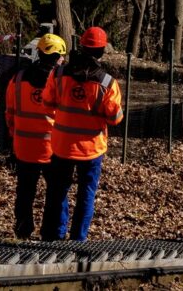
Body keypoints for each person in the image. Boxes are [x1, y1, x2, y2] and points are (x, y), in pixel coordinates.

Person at [40, 26, 123, 242]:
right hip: (91, 148)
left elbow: (47, 102)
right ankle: (78, 240)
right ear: (102, 50)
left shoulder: (58, 73)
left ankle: (56, 236)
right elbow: (115, 118)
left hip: (62, 145)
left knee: (58, 191)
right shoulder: (107, 83)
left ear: (81, 45)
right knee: (86, 194)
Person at [6, 32, 65, 239]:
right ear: (59, 57)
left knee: (24, 191)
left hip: (23, 146)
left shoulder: (18, 78)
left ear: (39, 53)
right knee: (56, 193)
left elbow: (10, 112)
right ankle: (53, 233)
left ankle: (23, 228)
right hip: (53, 148)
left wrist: (14, 136)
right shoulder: (61, 82)